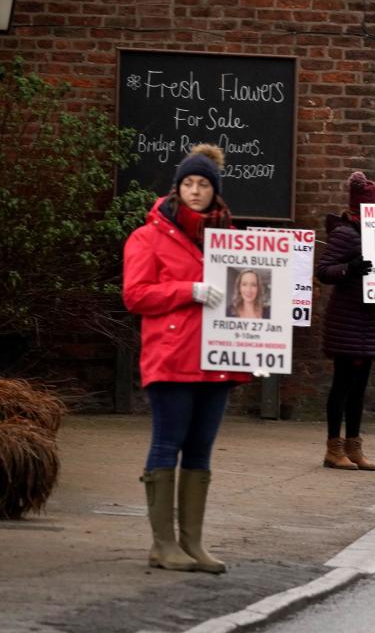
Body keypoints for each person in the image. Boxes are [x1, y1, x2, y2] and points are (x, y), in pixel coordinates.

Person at [123, 143, 250, 575]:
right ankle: (162, 544)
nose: (196, 191)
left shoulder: (229, 238)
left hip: (217, 357)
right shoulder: (147, 237)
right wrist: (188, 291)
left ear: (216, 191)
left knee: (200, 449)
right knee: (167, 442)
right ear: (177, 188)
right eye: (188, 183)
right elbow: (135, 295)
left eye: (204, 184)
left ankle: (192, 542)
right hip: (172, 356)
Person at [315, 171, 375, 471]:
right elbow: (324, 270)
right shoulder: (346, 234)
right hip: (348, 321)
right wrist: (351, 268)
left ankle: (354, 446)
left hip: (370, 320)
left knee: (360, 388)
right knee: (342, 385)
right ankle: (334, 448)